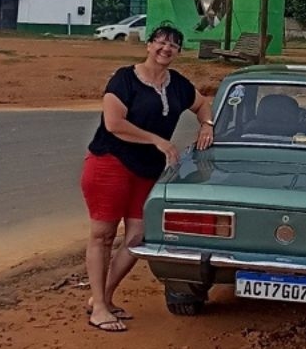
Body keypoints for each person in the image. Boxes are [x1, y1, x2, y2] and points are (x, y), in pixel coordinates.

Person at [80, 22, 215, 332]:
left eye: (173, 45)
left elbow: (202, 104)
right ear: (148, 45)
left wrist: (207, 124)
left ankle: (103, 297)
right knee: (103, 234)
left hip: (147, 171)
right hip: (109, 162)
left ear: (179, 52)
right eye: (160, 42)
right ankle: (99, 307)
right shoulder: (124, 79)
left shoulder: (178, 84)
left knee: (139, 236)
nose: (165, 48)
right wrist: (157, 140)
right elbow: (114, 123)